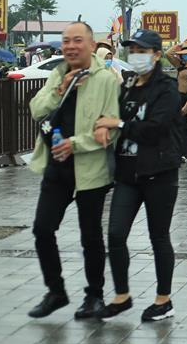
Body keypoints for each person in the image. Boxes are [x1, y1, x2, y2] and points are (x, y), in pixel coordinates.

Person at [26, 22, 121, 319]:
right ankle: (56, 291)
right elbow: (36, 108)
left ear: (91, 45)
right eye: (66, 41)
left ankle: (94, 296)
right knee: (42, 228)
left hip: (90, 170)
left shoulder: (106, 79)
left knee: (90, 235)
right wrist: (60, 88)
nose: (70, 46)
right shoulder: (58, 73)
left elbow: (111, 128)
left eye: (77, 40)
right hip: (56, 167)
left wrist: (75, 144)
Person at [92, 29, 182, 321]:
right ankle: (122, 296)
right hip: (128, 173)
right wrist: (106, 125)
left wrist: (117, 123)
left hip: (159, 173)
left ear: (156, 55)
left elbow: (155, 129)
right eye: (133, 50)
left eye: (143, 51)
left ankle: (163, 299)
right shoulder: (128, 84)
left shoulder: (166, 88)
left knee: (159, 237)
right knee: (116, 233)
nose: (136, 56)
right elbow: (112, 113)